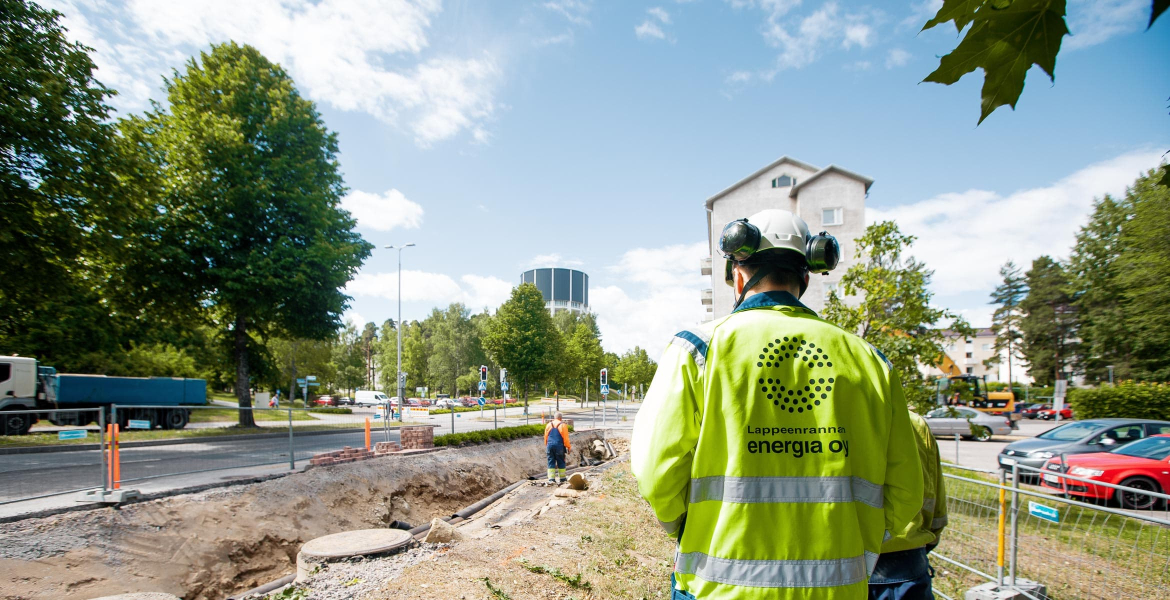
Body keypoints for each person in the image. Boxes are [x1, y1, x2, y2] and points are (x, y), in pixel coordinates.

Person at [631, 209, 924, 600]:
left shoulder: (697, 349)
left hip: (716, 589)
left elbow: (656, 472)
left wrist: (681, 527)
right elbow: (906, 496)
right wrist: (856, 542)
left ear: (737, 275)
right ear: (806, 277)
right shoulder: (870, 361)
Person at [869, 411, 948, 600]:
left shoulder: (822, 419)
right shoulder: (912, 422)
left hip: (838, 563)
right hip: (904, 565)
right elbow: (933, 500)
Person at [544, 411, 571, 483]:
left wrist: (547, 445)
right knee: (561, 461)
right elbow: (565, 438)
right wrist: (568, 447)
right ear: (560, 418)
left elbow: (546, 437)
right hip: (559, 446)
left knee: (550, 462)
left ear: (554, 417)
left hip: (550, 446)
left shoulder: (548, 425)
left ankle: (551, 479)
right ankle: (562, 479)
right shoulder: (563, 425)